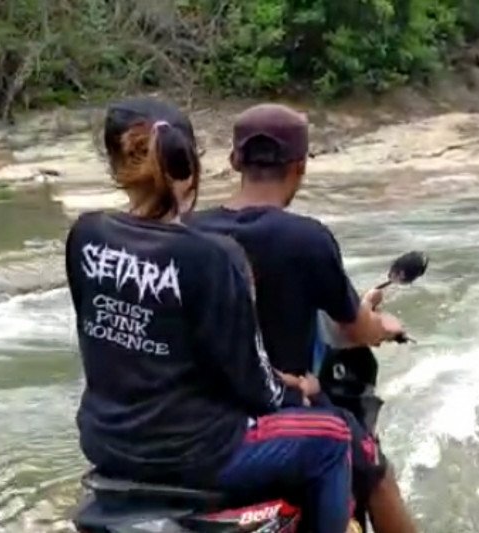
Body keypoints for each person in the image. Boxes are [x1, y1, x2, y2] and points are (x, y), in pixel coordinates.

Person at [64, 97, 354, 533]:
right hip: (198, 452)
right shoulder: (213, 256)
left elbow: (109, 342)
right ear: (191, 163)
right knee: (334, 438)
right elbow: (255, 385)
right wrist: (300, 390)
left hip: (106, 443)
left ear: (115, 163)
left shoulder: (85, 235)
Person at [186, 103, 418, 533]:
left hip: (199, 417)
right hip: (281, 410)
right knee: (376, 473)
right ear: (300, 166)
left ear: (235, 160)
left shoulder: (186, 230)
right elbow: (353, 326)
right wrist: (380, 327)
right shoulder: (306, 238)